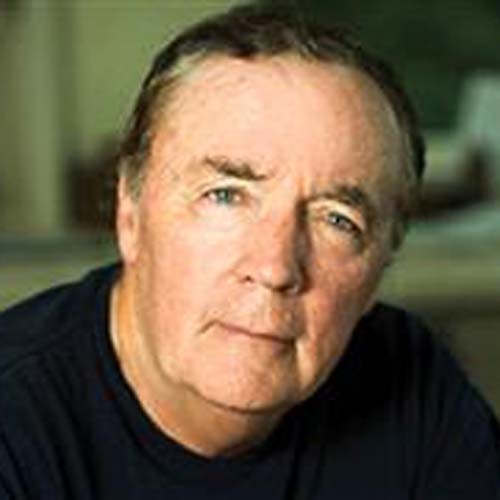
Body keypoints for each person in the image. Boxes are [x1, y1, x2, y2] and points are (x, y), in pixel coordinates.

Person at [0, 4, 498, 499]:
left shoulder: (412, 385)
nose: (274, 268)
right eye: (225, 195)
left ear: (379, 271)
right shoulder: (16, 425)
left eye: (336, 219)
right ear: (129, 211)